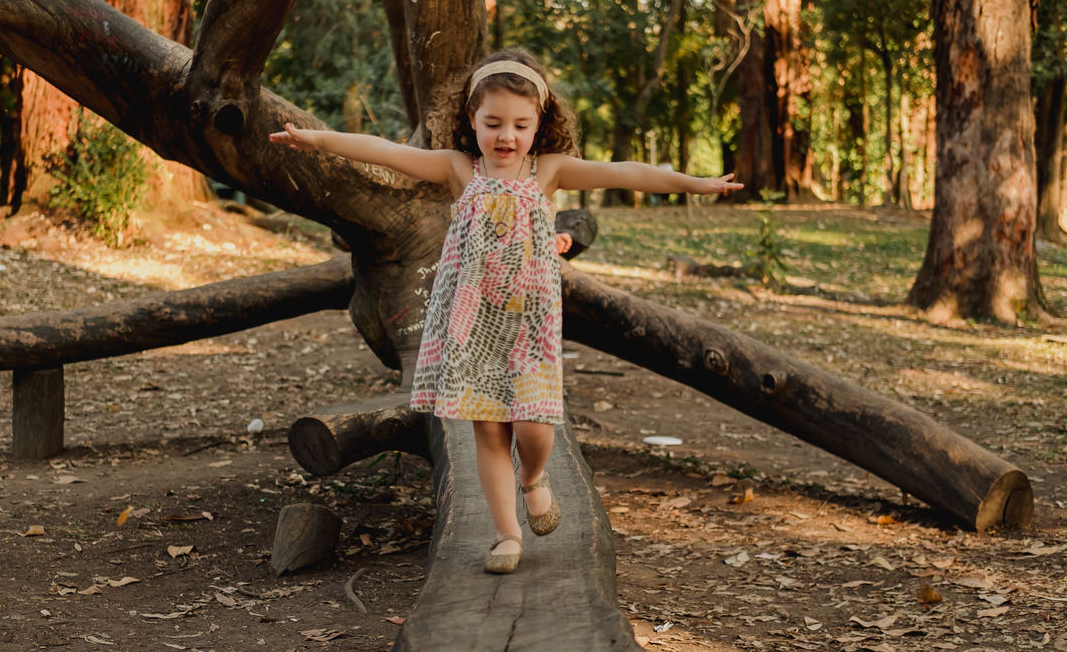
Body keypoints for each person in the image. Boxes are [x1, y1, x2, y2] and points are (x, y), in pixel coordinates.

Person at [270, 48, 742, 574]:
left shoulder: (549, 171)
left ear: (539, 125)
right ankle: (506, 535)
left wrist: (696, 184)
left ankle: (534, 479)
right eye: (492, 122)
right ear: (470, 120)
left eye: (520, 124)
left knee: (535, 428)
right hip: (472, 327)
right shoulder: (457, 168)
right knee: (489, 432)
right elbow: (380, 151)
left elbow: (627, 173)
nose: (505, 136)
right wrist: (315, 139)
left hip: (530, 325)